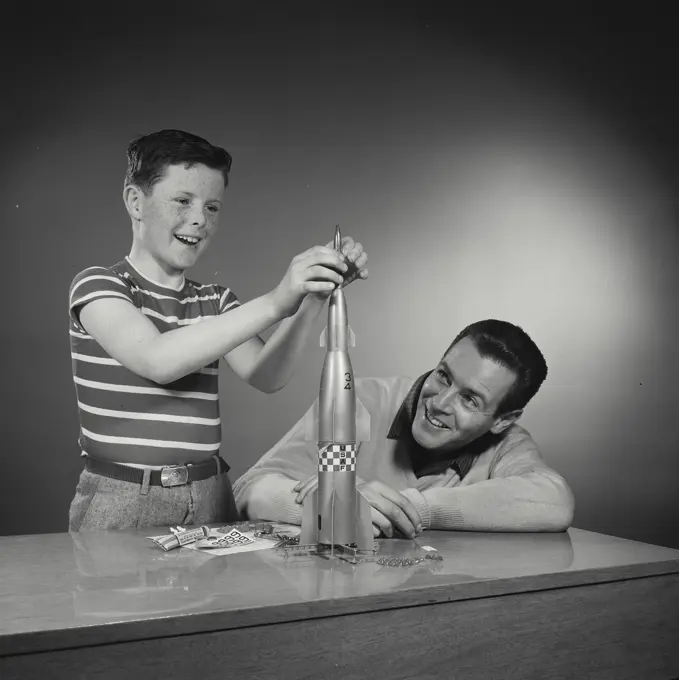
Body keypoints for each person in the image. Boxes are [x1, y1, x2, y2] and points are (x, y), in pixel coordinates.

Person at [67, 129, 368, 531]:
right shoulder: (100, 286)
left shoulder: (216, 301)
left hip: (211, 493)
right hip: (124, 499)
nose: (199, 219)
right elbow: (158, 360)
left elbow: (266, 374)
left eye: (212, 207)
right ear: (135, 202)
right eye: (182, 201)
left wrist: (312, 297)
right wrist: (278, 300)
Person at [233, 319, 575, 537]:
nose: (440, 402)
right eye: (443, 376)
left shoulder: (509, 444)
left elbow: (555, 501)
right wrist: (335, 504)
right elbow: (251, 489)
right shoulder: (360, 401)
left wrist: (411, 508)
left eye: (470, 400)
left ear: (503, 420)